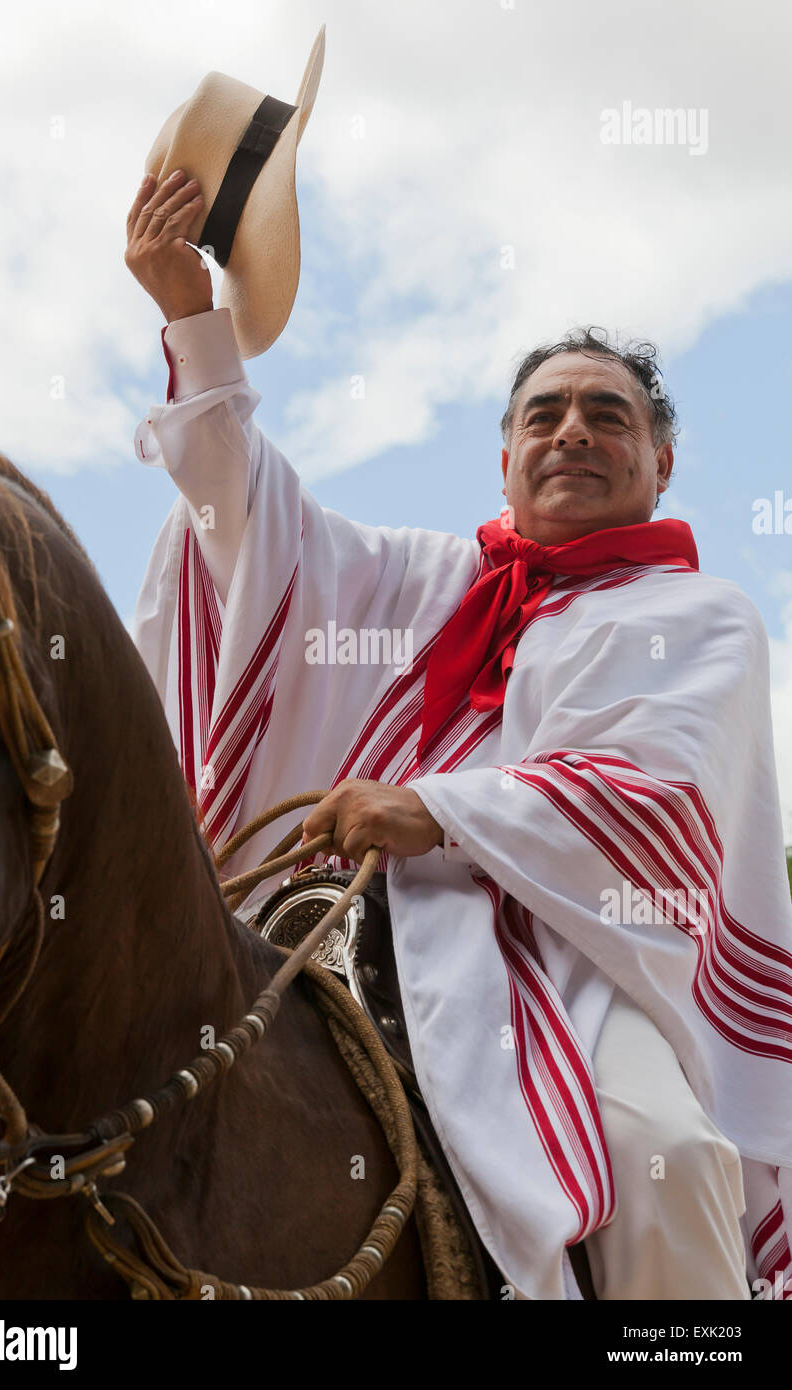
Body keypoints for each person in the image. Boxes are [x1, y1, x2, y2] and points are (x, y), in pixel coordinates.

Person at [125, 170, 792, 1301]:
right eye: (543, 413)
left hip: (577, 963)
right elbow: (252, 531)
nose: (570, 430)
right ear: (504, 460)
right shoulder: (425, 581)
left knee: (665, 1156)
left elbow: (654, 793)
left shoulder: (698, 613)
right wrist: (191, 315)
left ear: (660, 463)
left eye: (605, 414)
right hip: (360, 923)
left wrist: (434, 807)